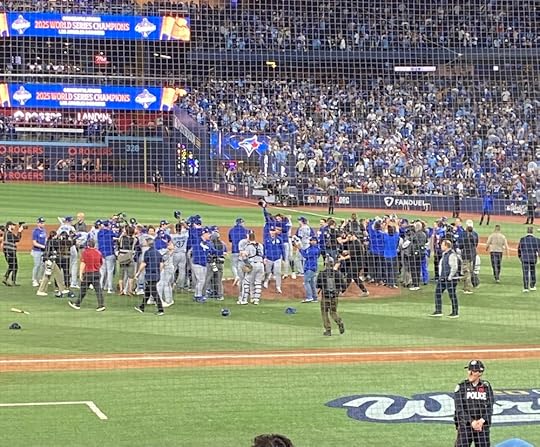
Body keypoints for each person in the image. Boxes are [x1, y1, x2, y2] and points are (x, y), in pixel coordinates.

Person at [454, 360, 494, 447]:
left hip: (482, 427)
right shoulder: (461, 387)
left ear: (480, 373)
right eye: (469, 370)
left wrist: (481, 421)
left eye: (474, 371)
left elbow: (490, 407)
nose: (470, 373)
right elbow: (459, 409)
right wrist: (472, 422)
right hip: (465, 426)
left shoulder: (486, 387)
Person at [68, 239, 106, 311]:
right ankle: (101, 305)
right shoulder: (99, 253)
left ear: (88, 245)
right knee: (98, 290)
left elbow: (83, 263)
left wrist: (80, 274)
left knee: (83, 290)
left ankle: (77, 304)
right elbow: (101, 263)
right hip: (96, 273)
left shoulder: (85, 252)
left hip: (88, 273)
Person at [317, 256, 348, 336]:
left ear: (325, 264)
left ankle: (328, 330)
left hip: (325, 296)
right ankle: (339, 322)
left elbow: (318, 285)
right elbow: (344, 285)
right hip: (334, 296)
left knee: (324, 313)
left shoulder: (322, 273)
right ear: (333, 264)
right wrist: (341, 291)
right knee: (333, 312)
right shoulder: (338, 273)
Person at [430, 239, 460, 318]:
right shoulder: (444, 254)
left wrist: (450, 276)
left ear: (446, 246)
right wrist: (441, 275)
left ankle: (455, 312)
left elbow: (454, 267)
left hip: (450, 279)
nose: (441, 246)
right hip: (443, 278)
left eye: (442, 245)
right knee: (438, 293)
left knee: (452, 295)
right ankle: (438, 311)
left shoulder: (452, 255)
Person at [134, 238, 165, 315]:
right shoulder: (158, 253)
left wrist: (138, 273)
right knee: (148, 291)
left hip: (150, 275)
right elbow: (161, 264)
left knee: (154, 293)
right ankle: (142, 307)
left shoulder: (147, 253)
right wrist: (158, 272)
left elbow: (144, 264)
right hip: (156, 275)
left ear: (148, 243)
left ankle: (160, 310)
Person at [239, 232, 265, 305]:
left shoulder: (248, 246)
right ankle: (256, 300)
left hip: (252, 264)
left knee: (246, 282)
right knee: (258, 283)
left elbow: (244, 256)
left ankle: (244, 300)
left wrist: (247, 264)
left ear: (249, 238)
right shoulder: (260, 245)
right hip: (261, 265)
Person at [297, 236, 320, 303]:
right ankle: (315, 298)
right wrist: (298, 247)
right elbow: (304, 251)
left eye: (314, 240)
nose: (312, 241)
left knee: (306, 282)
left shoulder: (315, 249)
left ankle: (309, 297)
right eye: (311, 240)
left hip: (310, 267)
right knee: (312, 283)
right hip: (309, 267)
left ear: (316, 242)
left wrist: (300, 249)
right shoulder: (309, 248)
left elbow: (306, 255)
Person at [517, 227, 540, 293]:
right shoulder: (537, 240)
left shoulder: (522, 239)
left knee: (525, 273)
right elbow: (539, 250)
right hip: (533, 258)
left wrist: (520, 257)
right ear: (532, 232)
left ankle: (526, 287)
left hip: (524, 259)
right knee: (533, 272)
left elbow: (519, 249)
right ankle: (532, 286)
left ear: (527, 231)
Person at [263, 226, 284, 293]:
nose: (272, 232)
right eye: (271, 231)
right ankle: (266, 281)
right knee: (268, 272)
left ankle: (278, 287)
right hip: (269, 258)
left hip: (277, 259)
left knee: (278, 273)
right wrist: (264, 258)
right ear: (269, 232)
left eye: (273, 231)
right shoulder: (266, 239)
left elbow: (282, 249)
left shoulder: (279, 239)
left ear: (275, 231)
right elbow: (264, 249)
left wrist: (283, 258)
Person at [2, 221, 24, 286]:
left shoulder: (8, 233)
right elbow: (17, 239)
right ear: (9, 226)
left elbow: (17, 239)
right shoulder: (9, 234)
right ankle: (11, 281)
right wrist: (19, 231)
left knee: (12, 266)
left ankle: (6, 278)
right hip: (9, 252)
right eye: (13, 225)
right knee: (14, 266)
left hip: (10, 252)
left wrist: (20, 232)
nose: (14, 227)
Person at [461, 220, 479, 294]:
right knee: (470, 270)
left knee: (466, 272)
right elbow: (476, 244)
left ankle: (468, 288)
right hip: (473, 255)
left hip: (466, 255)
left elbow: (460, 245)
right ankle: (474, 283)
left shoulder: (464, 234)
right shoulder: (475, 234)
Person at [30, 217, 47, 287]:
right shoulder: (35, 231)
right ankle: (34, 280)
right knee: (37, 265)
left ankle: (41, 278)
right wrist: (43, 246)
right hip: (37, 251)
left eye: (43, 223)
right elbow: (34, 243)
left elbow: (45, 239)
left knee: (43, 265)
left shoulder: (44, 230)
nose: (43, 224)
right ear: (38, 223)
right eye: (41, 223)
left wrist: (46, 245)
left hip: (43, 251)